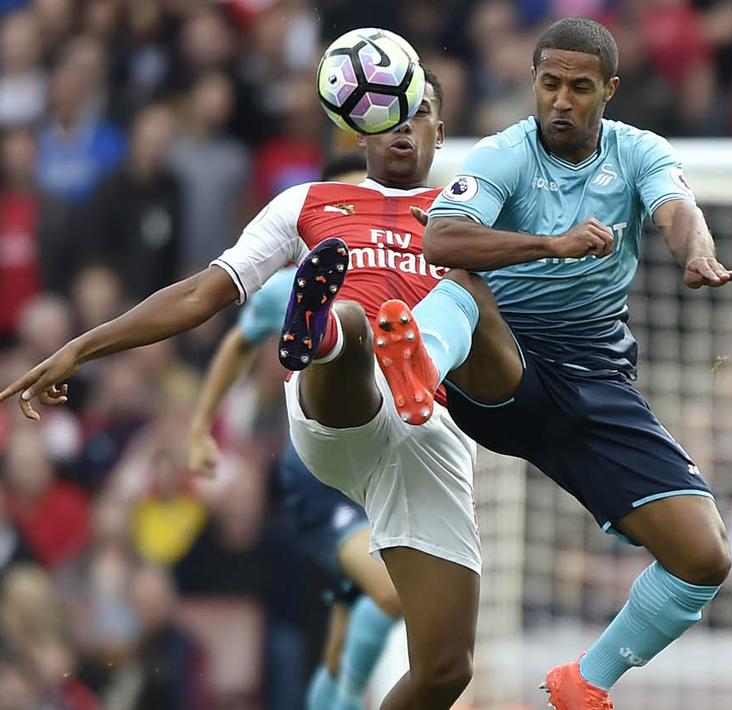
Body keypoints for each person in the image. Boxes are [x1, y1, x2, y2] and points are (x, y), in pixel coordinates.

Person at [2, 71, 483, 710]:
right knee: (359, 325)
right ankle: (323, 332)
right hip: (338, 418)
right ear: (357, 126)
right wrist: (82, 345)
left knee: (448, 670)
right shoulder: (307, 203)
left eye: (417, 111)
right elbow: (202, 294)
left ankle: (353, 342)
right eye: (386, 112)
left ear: (440, 132)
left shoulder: (470, 215)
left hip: (431, 436)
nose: (402, 124)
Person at [374, 17, 732, 709]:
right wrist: (552, 246)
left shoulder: (638, 151)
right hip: (502, 368)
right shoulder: (504, 154)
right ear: (532, 84)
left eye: (578, 87)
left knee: (704, 556)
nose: (561, 101)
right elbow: (442, 238)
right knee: (461, 286)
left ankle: (585, 682)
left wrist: (695, 254)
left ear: (609, 90)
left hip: (595, 380)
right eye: (549, 84)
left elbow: (676, 209)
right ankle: (415, 362)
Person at [186, 151, 403, 710]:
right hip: (319, 476)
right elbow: (238, 343)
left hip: (382, 467)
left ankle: (338, 688)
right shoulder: (288, 288)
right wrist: (200, 428)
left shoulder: (405, 275)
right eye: (345, 201)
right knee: (392, 592)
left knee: (354, 636)